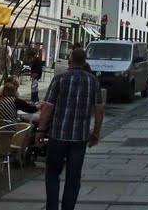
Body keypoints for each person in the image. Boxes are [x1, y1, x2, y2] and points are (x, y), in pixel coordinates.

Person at [36, 48, 104, 210]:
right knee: (73, 178)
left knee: (52, 174)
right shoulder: (93, 81)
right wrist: (96, 133)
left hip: (57, 135)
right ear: (85, 62)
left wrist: (40, 130)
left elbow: (47, 108)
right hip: (79, 138)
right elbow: (99, 110)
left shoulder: (59, 79)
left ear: (70, 60)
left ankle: (52, 207)